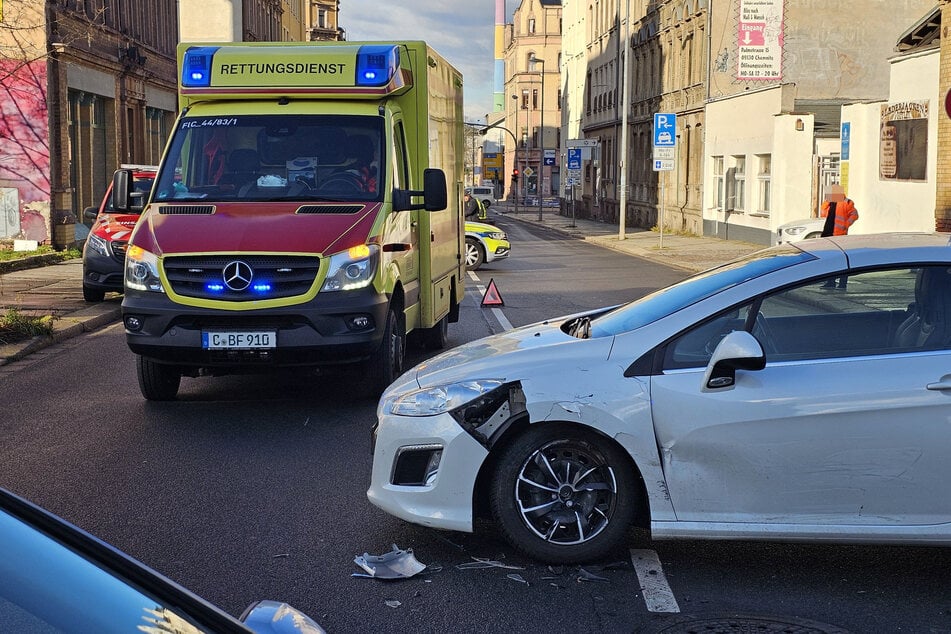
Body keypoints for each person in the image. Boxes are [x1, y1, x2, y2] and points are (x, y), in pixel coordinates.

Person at [820, 184, 858, 288]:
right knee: (829, 260)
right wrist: (827, 201)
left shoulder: (847, 202)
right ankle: (830, 282)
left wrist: (846, 225)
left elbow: (854, 215)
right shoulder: (830, 203)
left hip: (840, 235)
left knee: (840, 260)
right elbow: (823, 213)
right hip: (828, 234)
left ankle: (842, 283)